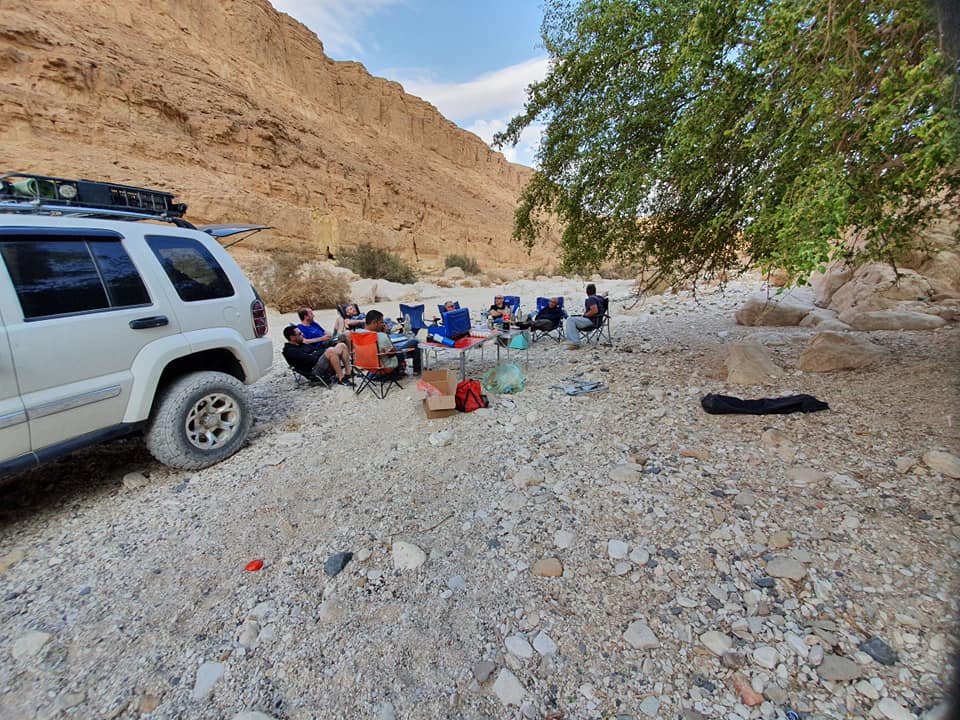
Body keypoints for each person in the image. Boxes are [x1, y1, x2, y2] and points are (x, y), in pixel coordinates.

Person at [282, 325, 353, 386]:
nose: (303, 335)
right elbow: (311, 360)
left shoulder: (301, 344)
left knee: (341, 345)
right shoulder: (291, 351)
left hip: (318, 362)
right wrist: (319, 352)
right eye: (300, 334)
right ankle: (341, 378)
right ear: (292, 337)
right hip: (313, 370)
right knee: (330, 350)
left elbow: (316, 350)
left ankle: (348, 373)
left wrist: (316, 353)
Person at [359, 309, 421, 374]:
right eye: (381, 322)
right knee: (414, 342)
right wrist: (386, 335)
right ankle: (417, 370)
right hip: (385, 365)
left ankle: (401, 369)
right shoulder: (380, 336)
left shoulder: (358, 333)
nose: (383, 325)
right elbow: (392, 353)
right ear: (374, 323)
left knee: (399, 346)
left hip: (368, 365)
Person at [564, 284, 605, 349]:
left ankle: (575, 342)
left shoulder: (591, 299)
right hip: (598, 321)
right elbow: (603, 296)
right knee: (573, 319)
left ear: (587, 292)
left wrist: (585, 315)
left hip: (592, 321)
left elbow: (594, 311)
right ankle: (574, 340)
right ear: (595, 291)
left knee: (570, 319)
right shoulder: (599, 298)